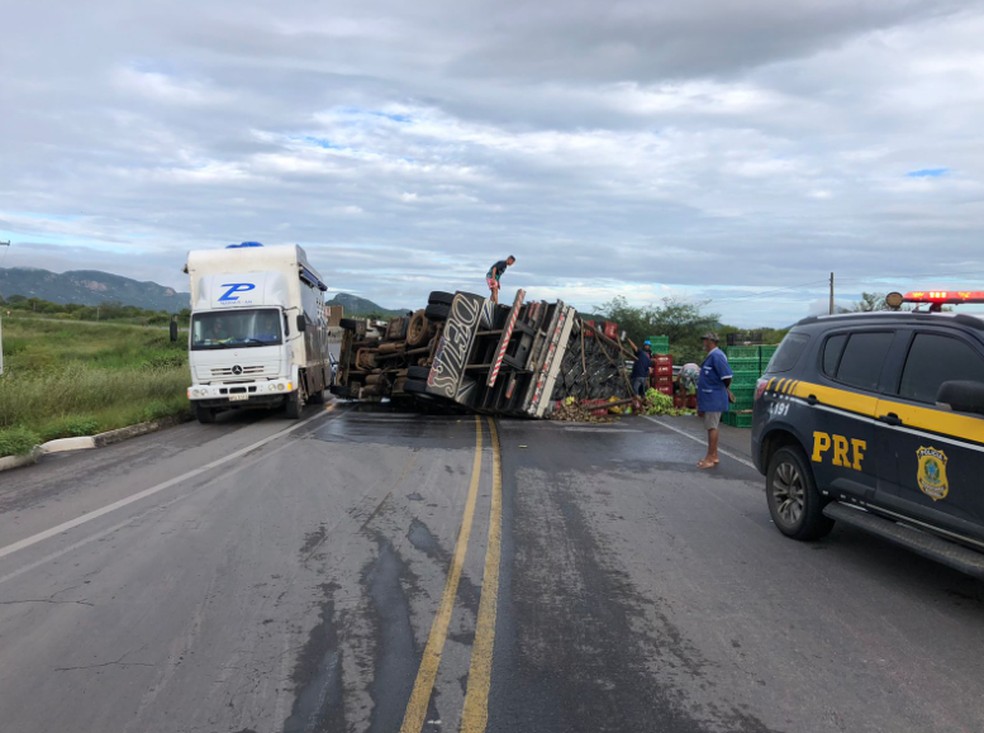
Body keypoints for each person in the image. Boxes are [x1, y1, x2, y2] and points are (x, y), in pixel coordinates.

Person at [696, 332, 733, 469]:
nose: (703, 343)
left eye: (705, 340)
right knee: (711, 426)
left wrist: (721, 390)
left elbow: (727, 377)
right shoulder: (711, 356)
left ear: (710, 341)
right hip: (710, 398)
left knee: (712, 427)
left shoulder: (717, 356)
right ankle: (714, 455)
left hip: (714, 398)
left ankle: (710, 458)